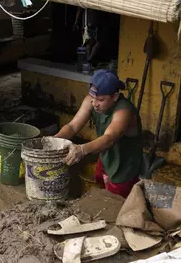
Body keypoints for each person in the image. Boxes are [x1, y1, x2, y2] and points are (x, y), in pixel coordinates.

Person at [55, 70, 142, 198]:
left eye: (101, 100)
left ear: (115, 97)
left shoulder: (124, 112)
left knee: (115, 203)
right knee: (99, 189)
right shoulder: (92, 100)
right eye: (93, 98)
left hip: (123, 166)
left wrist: (81, 149)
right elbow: (72, 127)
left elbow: (109, 139)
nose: (95, 103)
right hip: (106, 156)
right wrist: (54, 139)